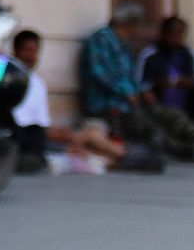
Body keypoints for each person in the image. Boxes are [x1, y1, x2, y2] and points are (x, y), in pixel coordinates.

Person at [80, 3, 194, 161]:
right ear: (128, 23)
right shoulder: (100, 41)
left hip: (131, 104)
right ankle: (186, 151)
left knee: (173, 116)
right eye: (136, 25)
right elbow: (100, 72)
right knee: (151, 129)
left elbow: (131, 76)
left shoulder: (123, 45)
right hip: (109, 106)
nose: (137, 30)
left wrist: (143, 90)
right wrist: (128, 92)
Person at [11, 29, 125, 172]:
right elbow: (21, 124)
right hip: (24, 138)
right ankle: (122, 158)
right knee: (87, 140)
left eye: (34, 51)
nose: (31, 56)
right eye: (27, 50)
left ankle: (120, 158)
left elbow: (42, 124)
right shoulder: (10, 80)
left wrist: (60, 133)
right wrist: (61, 136)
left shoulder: (38, 83)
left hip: (40, 136)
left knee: (90, 136)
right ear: (15, 51)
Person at [137, 16, 194, 144]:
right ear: (164, 34)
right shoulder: (149, 54)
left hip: (187, 104)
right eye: (173, 33)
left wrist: (188, 83)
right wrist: (156, 85)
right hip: (161, 106)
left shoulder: (188, 54)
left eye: (180, 33)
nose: (177, 37)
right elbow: (139, 84)